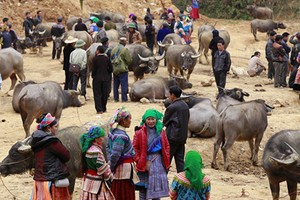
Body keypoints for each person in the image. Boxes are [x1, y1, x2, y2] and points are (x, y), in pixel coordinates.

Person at [30, 113, 71, 200]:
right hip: (52, 179)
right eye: (55, 127)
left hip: (39, 180)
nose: (57, 129)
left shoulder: (35, 140)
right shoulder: (52, 142)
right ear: (48, 128)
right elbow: (66, 156)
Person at [133, 109, 170, 200]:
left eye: (152, 119)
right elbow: (134, 148)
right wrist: (139, 160)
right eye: (148, 119)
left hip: (158, 162)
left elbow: (166, 146)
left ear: (156, 119)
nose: (150, 121)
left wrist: (166, 158)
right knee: (143, 189)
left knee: (156, 190)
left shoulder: (161, 132)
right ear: (145, 120)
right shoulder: (139, 132)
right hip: (144, 162)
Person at [106, 107, 137, 200]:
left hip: (118, 167)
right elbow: (116, 154)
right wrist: (111, 167)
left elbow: (108, 148)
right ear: (123, 120)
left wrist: (109, 162)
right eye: (129, 119)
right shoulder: (121, 136)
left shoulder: (113, 132)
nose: (130, 121)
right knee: (123, 192)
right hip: (123, 170)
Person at [79, 126, 115, 200]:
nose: (103, 139)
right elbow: (104, 171)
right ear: (96, 139)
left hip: (87, 182)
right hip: (96, 184)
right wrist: (110, 172)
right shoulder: (96, 152)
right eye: (101, 137)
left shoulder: (87, 149)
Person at [163, 85, 190, 173]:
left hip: (172, 138)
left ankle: (163, 182)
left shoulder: (172, 107)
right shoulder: (185, 105)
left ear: (173, 95)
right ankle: (182, 182)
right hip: (182, 137)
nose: (169, 96)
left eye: (169, 94)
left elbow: (165, 122)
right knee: (180, 161)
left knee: (167, 160)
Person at [92, 45, 113, 114]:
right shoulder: (106, 59)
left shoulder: (95, 59)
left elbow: (93, 70)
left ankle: (99, 109)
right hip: (105, 79)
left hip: (97, 79)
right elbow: (111, 69)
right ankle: (104, 108)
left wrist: (93, 76)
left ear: (98, 51)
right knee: (104, 94)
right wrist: (107, 73)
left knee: (97, 94)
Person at [110, 37, 132, 102]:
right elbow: (129, 60)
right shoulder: (125, 50)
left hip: (115, 69)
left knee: (115, 85)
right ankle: (124, 98)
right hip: (123, 69)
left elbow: (111, 58)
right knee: (124, 85)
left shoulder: (114, 49)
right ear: (124, 42)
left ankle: (116, 98)